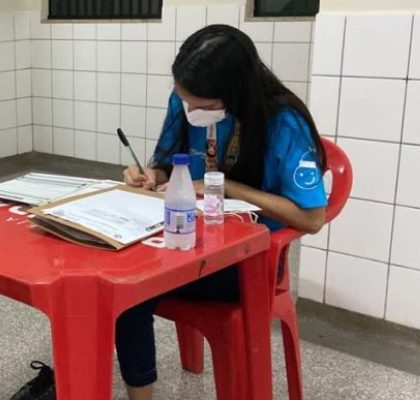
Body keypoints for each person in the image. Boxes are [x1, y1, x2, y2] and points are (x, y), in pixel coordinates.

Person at [116, 25, 327, 400]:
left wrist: (225, 185)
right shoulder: (185, 103)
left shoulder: (283, 122)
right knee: (123, 285)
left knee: (132, 292)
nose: (191, 111)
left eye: (203, 105)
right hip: (187, 239)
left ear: (235, 94)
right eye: (185, 101)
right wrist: (151, 175)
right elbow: (167, 161)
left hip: (245, 262)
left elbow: (312, 218)